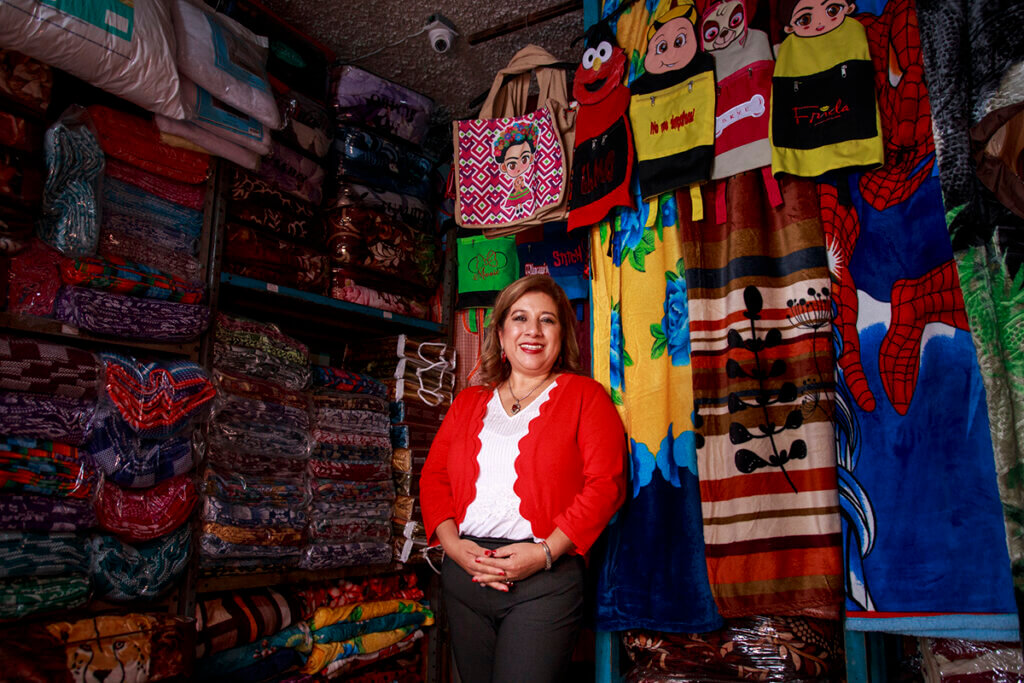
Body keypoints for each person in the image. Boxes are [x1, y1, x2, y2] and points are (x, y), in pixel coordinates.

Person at [420, 274, 627, 683]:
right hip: (466, 579)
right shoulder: (468, 402)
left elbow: (606, 484)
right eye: (520, 318)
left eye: (547, 320)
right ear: (500, 333)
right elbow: (433, 477)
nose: (533, 331)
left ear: (562, 334)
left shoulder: (586, 396)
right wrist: (454, 548)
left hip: (544, 580)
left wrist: (545, 553)